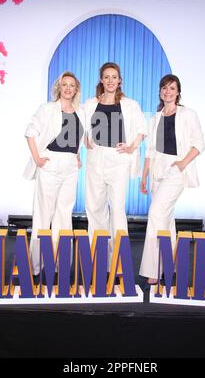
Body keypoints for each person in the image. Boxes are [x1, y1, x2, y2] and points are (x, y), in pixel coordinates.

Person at [139, 74, 205, 286]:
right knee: (165, 220)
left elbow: (199, 144)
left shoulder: (188, 114)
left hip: (176, 171)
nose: (168, 92)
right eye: (164, 88)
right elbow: (150, 150)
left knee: (156, 213)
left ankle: (154, 270)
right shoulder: (155, 118)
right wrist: (144, 176)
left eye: (172, 88)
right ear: (160, 92)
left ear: (178, 92)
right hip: (156, 172)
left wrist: (182, 164)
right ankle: (171, 265)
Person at [84, 62, 146, 265]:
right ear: (101, 80)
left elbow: (141, 129)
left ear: (120, 80)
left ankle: (117, 260)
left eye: (114, 77)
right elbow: (81, 127)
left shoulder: (130, 104)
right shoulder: (90, 103)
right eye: (107, 77)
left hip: (118, 160)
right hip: (96, 159)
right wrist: (85, 137)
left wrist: (131, 147)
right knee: (94, 207)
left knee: (117, 209)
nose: (110, 81)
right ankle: (97, 257)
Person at [23, 71, 85, 275]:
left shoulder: (80, 112)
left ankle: (61, 266)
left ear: (76, 89)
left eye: (72, 85)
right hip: (50, 164)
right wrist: (38, 159)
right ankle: (35, 266)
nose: (68, 88)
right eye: (64, 84)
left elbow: (79, 137)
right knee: (43, 216)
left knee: (64, 217)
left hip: (69, 168)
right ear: (59, 87)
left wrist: (76, 156)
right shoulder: (47, 109)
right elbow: (30, 133)